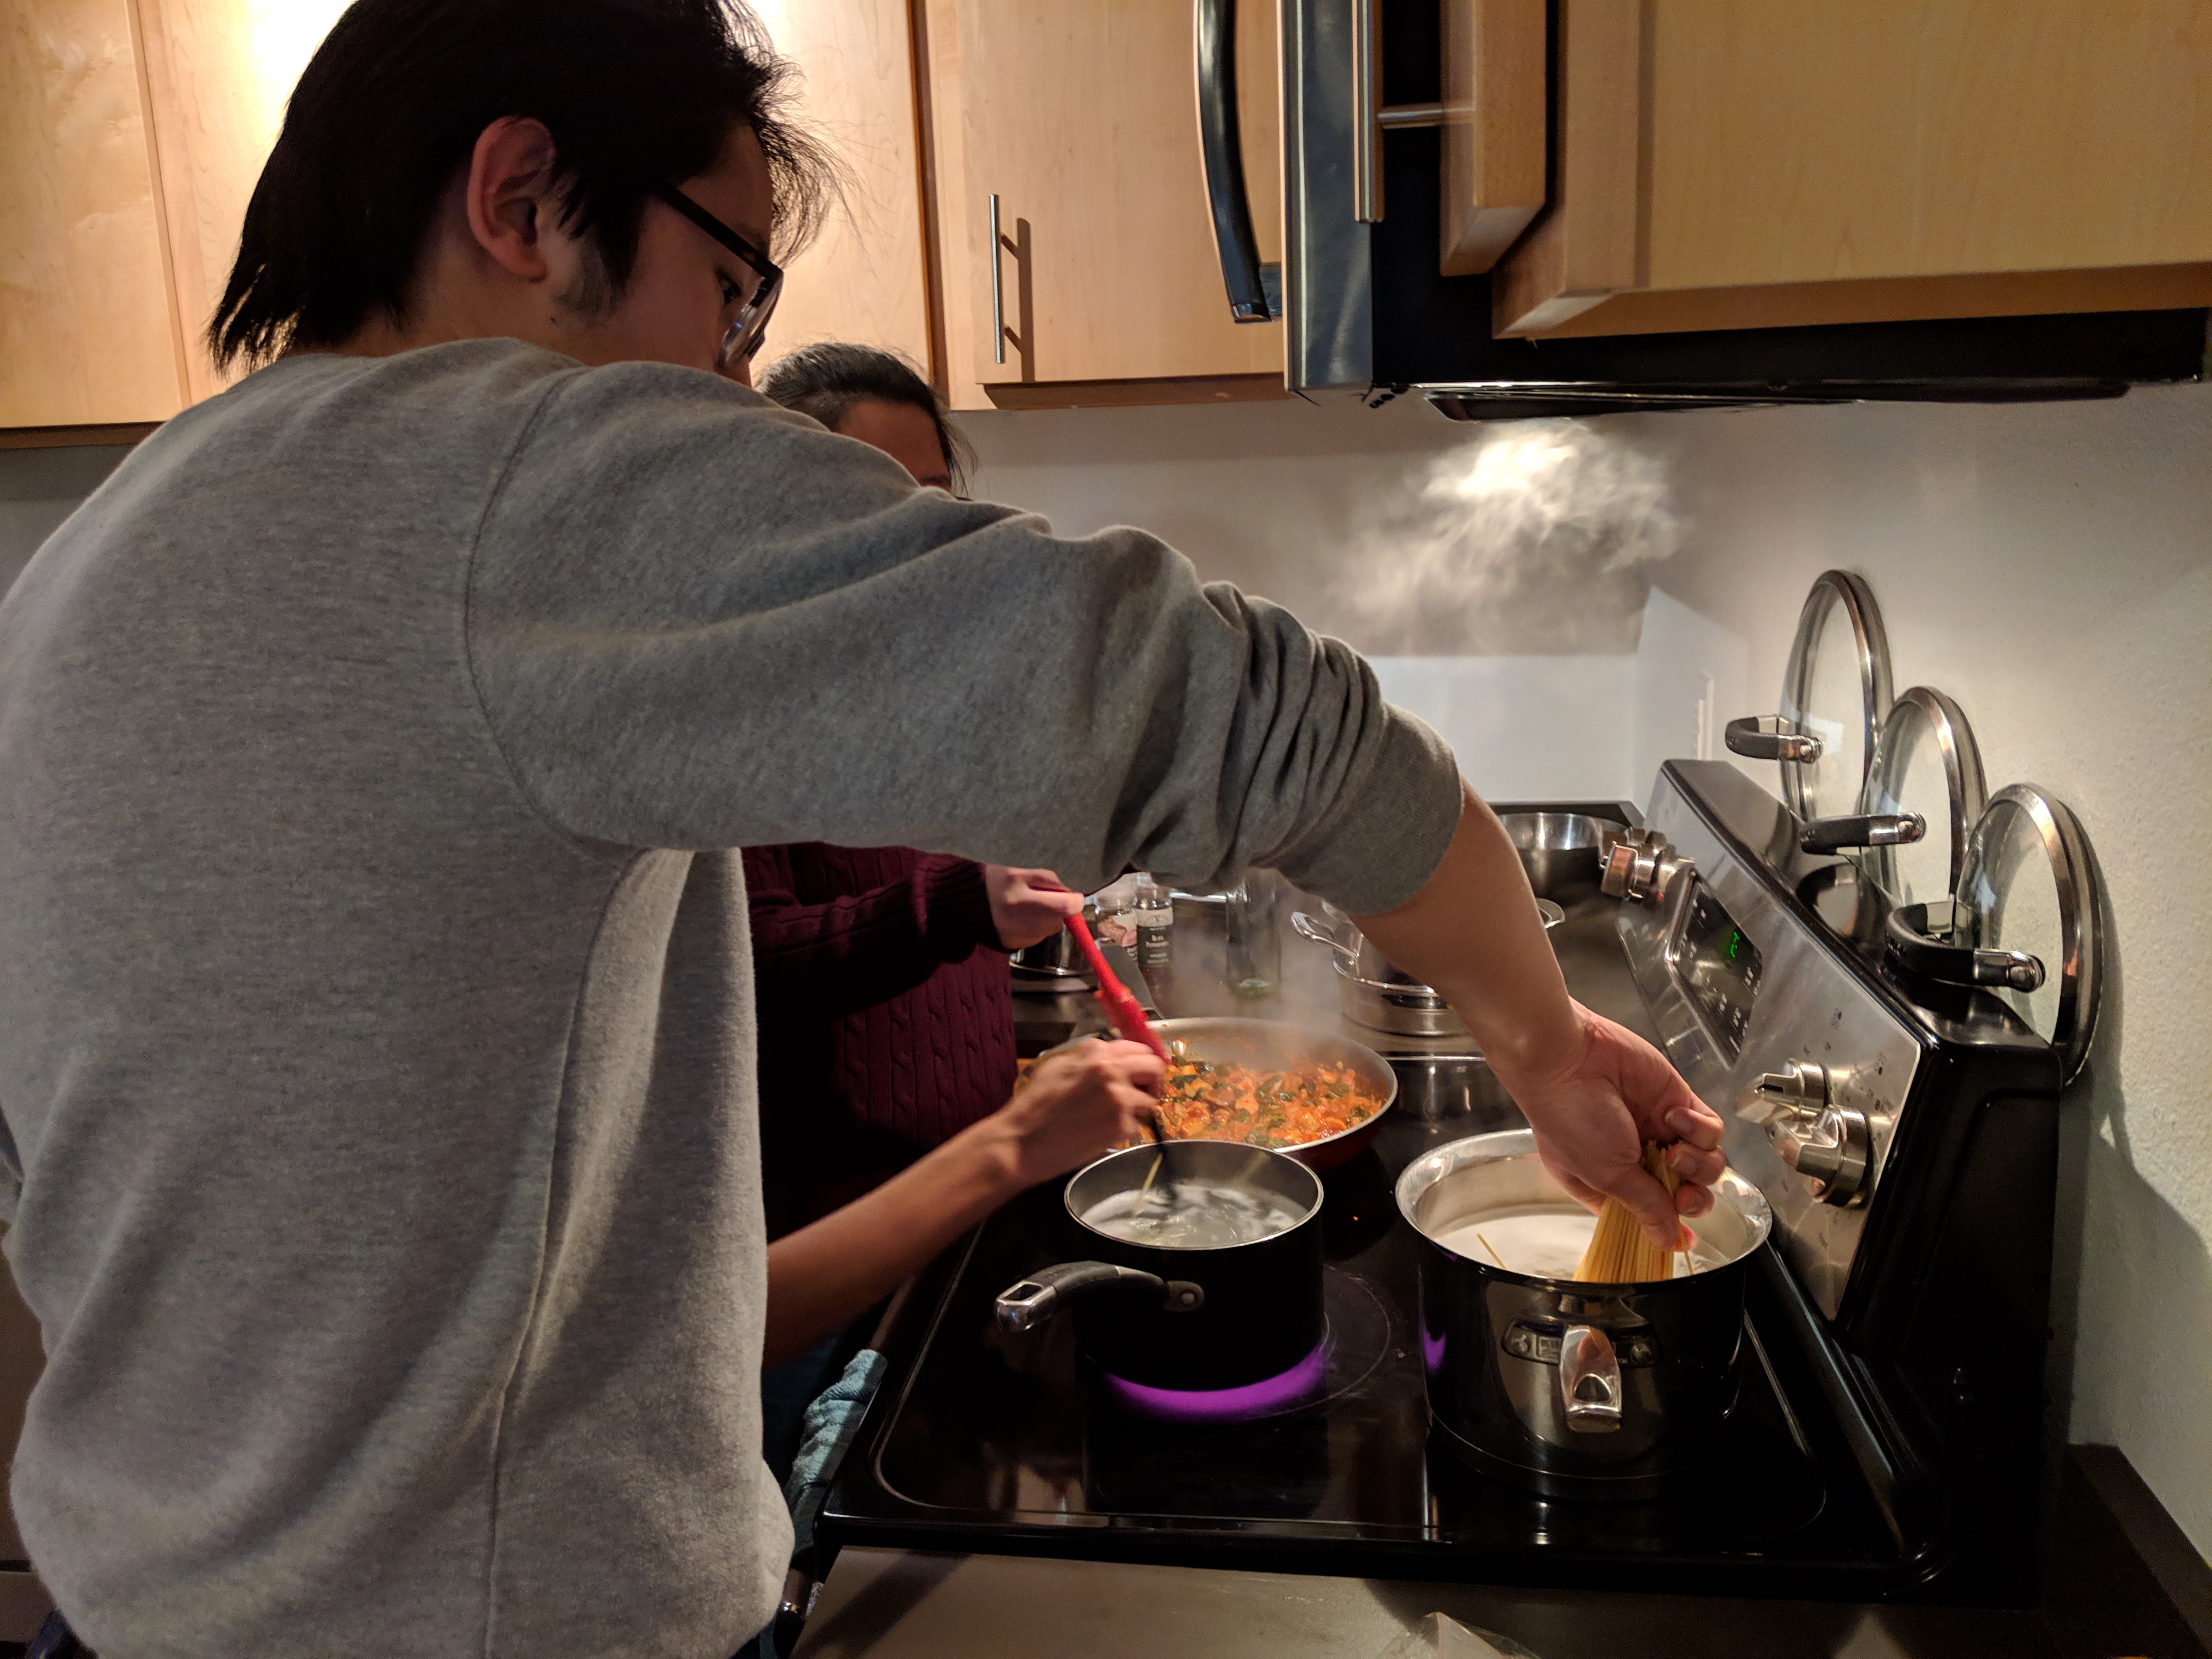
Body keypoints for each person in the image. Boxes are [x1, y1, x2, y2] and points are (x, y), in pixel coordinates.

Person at [0, 5, 1725, 1658]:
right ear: (521, 199)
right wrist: (1542, 1036)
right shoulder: (519, 479)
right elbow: (1276, 727)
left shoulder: (82, 570)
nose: (734, 376)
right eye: (733, 288)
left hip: (133, 1603)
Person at [742, 343, 1061, 1476]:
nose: (915, 534)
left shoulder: (940, 680)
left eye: (931, 498)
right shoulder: (736, 705)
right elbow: (751, 966)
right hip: (820, 1267)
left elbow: (960, 895)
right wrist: (956, 905)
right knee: (810, 1573)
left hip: (963, 1217)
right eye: (873, 498)